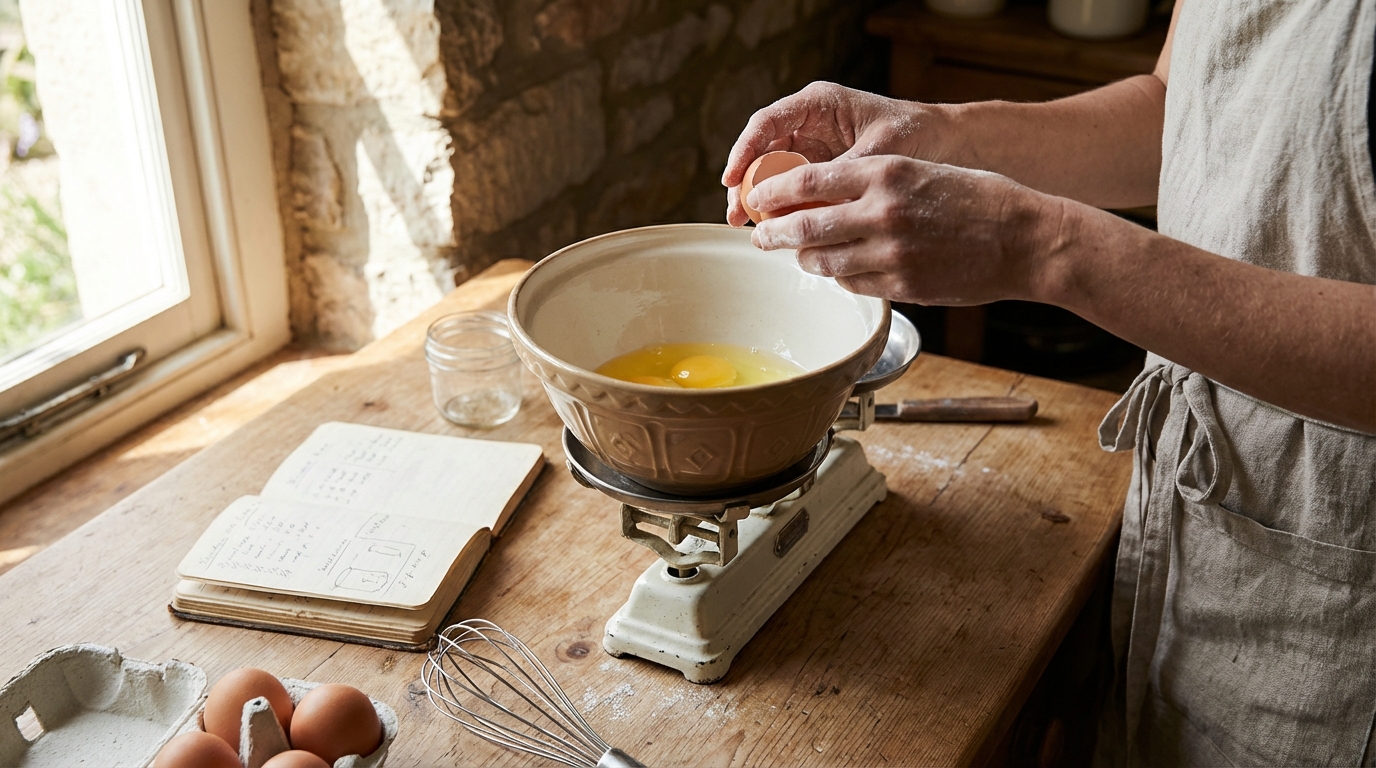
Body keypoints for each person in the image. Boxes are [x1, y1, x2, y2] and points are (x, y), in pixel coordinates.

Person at [722, 1, 1376, 764]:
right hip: (1211, 516)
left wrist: (1045, 249)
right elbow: (1183, 106)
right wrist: (948, 134)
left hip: (1342, 573)